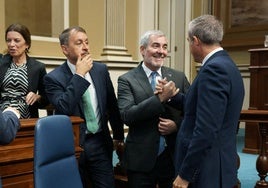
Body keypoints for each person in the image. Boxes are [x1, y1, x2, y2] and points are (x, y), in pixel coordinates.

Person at [157, 15, 245, 188]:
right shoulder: (226, 63)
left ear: (196, 41)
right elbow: (201, 107)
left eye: (189, 41)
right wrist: (172, 96)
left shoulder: (213, 69)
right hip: (216, 164)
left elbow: (206, 129)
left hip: (206, 170)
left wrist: (185, 174)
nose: (189, 46)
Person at [43, 26, 124, 188]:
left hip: (100, 142)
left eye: (87, 42)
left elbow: (112, 105)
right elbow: (64, 107)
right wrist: (79, 75)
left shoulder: (100, 70)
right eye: (79, 43)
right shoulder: (53, 78)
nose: (86, 47)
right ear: (65, 49)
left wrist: (119, 136)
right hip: (73, 146)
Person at [117, 30, 190, 188]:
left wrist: (176, 125)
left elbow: (193, 112)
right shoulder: (127, 80)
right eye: (156, 46)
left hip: (172, 156)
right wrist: (160, 98)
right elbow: (127, 115)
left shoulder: (178, 77)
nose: (161, 51)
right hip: (140, 160)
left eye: (164, 47)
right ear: (142, 50)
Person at [0, 23, 48, 118]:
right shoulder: (1, 63)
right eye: (8, 40)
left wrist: (37, 97)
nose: (11, 44)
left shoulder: (38, 67)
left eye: (16, 41)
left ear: (27, 44)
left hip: (27, 117)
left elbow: (46, 98)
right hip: (2, 118)